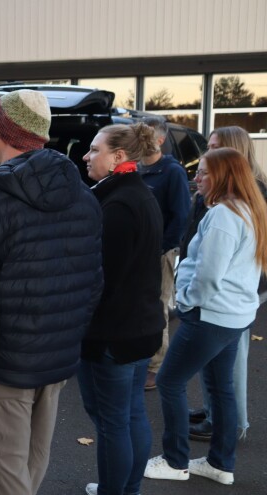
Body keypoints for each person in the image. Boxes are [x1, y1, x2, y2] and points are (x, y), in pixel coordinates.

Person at [0, 90, 103, 495]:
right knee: (28, 469)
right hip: (53, 365)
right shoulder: (82, 196)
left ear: (4, 133)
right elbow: (91, 283)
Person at [145, 147, 267, 486]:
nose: (196, 178)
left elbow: (209, 274)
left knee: (169, 381)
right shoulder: (250, 209)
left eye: (203, 173)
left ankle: (175, 461)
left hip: (211, 316)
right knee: (220, 387)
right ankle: (220, 464)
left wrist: (184, 300)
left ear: (224, 177)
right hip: (235, 315)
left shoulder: (225, 216)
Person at [78, 123, 165, 495]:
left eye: (95, 150)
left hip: (113, 334)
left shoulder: (118, 204)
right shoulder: (138, 194)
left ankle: (118, 490)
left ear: (119, 157)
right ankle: (127, 488)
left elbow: (102, 279)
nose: (86, 155)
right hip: (138, 328)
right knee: (130, 416)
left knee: (113, 422)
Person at [186, 126, 267, 442]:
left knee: (231, 363)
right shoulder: (222, 189)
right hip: (223, 292)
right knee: (216, 361)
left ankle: (233, 424)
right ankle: (214, 412)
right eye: (208, 146)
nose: (208, 153)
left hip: (230, 294)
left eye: (216, 146)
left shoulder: (250, 192)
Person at [137, 117, 192, 391]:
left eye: (145, 135)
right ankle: (138, 356)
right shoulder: (136, 169)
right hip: (136, 252)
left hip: (160, 253)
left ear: (159, 140)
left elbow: (181, 216)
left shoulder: (172, 171)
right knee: (138, 303)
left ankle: (155, 366)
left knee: (158, 305)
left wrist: (162, 248)